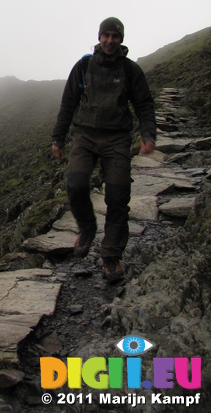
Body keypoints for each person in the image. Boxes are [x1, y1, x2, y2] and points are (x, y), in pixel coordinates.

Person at [52, 17, 156, 283]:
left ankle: (111, 256)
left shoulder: (130, 70)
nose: (110, 40)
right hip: (84, 136)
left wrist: (148, 135)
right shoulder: (84, 66)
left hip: (117, 139)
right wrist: (58, 138)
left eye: (115, 36)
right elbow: (68, 104)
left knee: (119, 194)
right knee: (75, 184)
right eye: (106, 35)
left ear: (121, 39)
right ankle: (87, 229)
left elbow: (144, 104)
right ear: (99, 37)